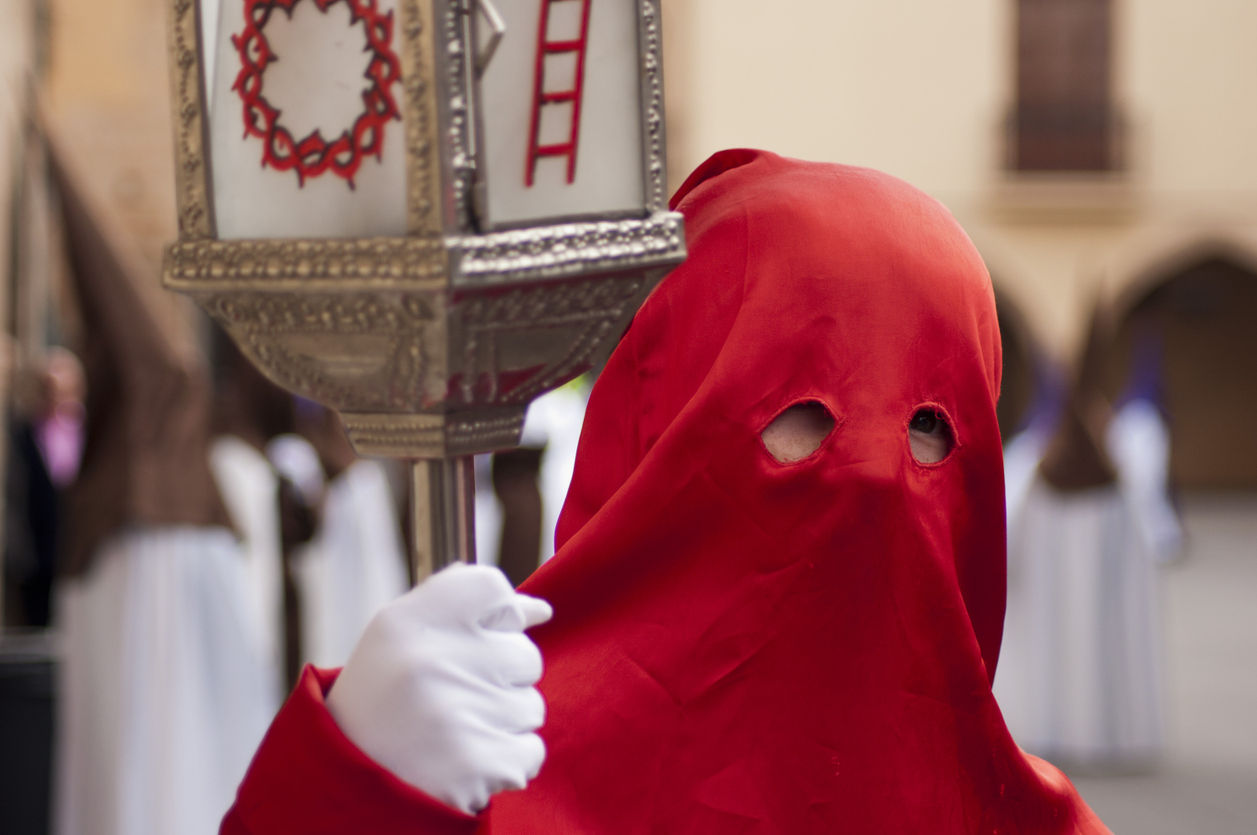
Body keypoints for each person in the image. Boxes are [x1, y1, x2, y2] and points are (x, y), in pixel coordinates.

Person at [220, 150, 1110, 834]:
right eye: (805, 408)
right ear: (672, 416)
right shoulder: (468, 772)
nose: (875, 469)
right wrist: (339, 784)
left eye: (930, 426)